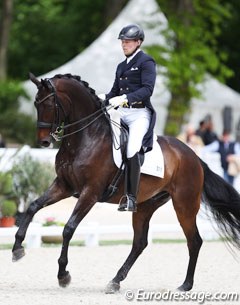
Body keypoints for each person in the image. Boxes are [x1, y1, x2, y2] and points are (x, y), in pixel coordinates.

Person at [98, 24, 157, 212]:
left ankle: (131, 197)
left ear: (138, 42)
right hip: (121, 113)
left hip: (139, 113)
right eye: (123, 41)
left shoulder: (146, 61)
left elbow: (147, 89)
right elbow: (114, 91)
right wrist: (101, 98)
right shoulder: (121, 66)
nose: (124, 45)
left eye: (128, 42)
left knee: (132, 148)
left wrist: (125, 98)